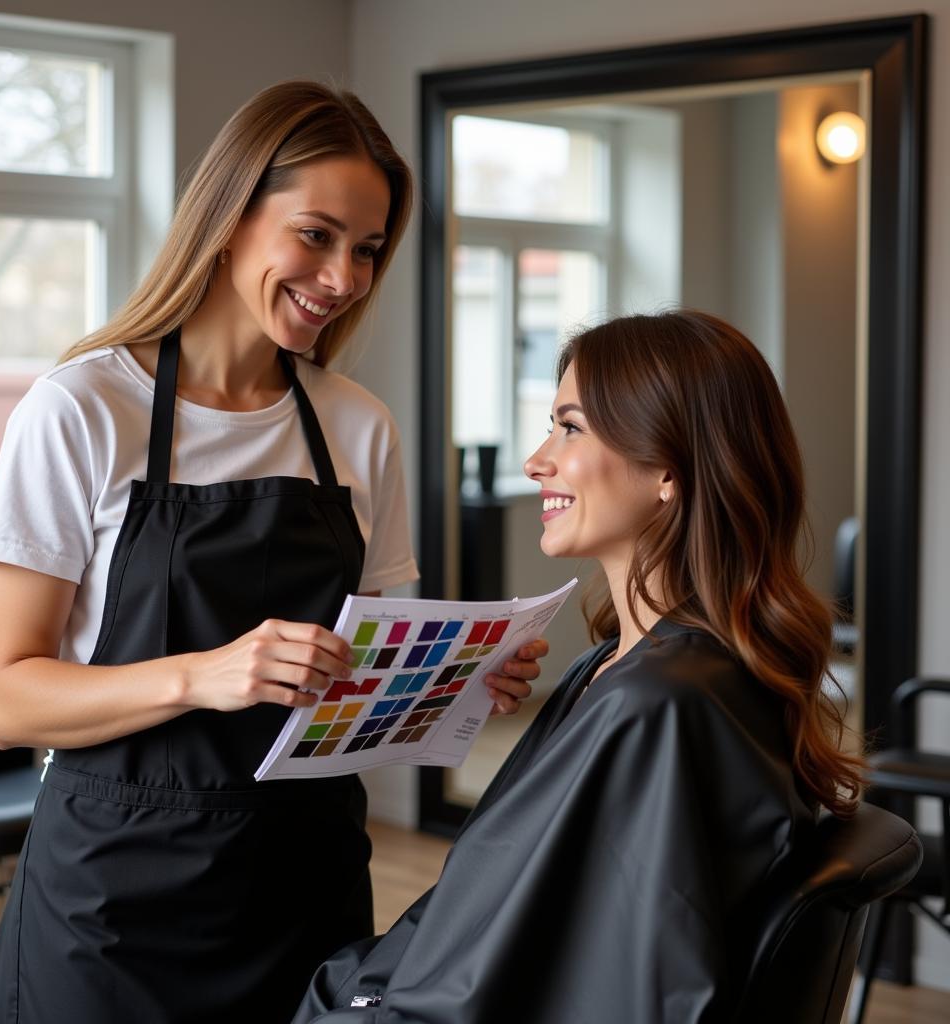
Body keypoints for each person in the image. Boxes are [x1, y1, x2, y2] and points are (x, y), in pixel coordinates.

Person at [0, 81, 544, 1023]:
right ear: (230, 216)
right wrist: (205, 675)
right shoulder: (81, 410)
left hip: (303, 888)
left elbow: (363, 672)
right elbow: (4, 701)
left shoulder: (358, 428)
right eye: (315, 236)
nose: (345, 278)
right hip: (112, 907)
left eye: (366, 250)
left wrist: (459, 677)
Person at [292, 310, 865, 1024]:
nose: (537, 461)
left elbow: (615, 987)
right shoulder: (641, 671)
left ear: (667, 469)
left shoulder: (659, 703)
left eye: (570, 428)